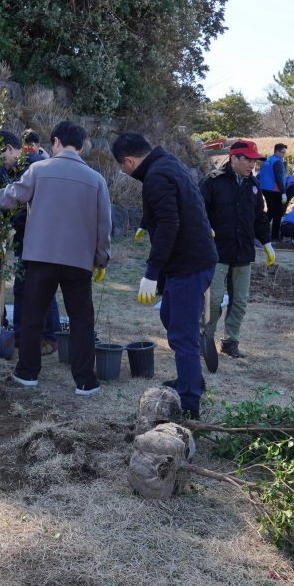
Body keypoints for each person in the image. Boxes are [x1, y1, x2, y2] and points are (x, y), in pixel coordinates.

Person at [0, 121, 111, 395]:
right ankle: (85, 382)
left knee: (34, 315)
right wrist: (101, 259)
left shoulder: (38, 170)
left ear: (55, 142)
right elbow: (104, 226)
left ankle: (27, 373)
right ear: (80, 147)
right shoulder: (97, 180)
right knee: (82, 320)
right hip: (79, 262)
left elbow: (11, 197)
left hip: (40, 259)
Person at [114, 132, 217, 418]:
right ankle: (190, 377)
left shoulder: (157, 176)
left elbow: (170, 223)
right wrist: (146, 223)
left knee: (182, 335)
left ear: (129, 160)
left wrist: (151, 272)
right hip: (195, 259)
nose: (125, 172)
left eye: (123, 167)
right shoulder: (168, 162)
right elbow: (170, 207)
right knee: (170, 317)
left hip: (189, 264)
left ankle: (189, 403)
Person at [0, 131, 60, 352]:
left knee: (42, 286)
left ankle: (50, 337)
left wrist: (13, 221)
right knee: (21, 287)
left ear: (10, 148)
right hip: (23, 237)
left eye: (1, 156)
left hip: (39, 239)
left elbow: (37, 205)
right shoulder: (12, 169)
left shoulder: (34, 165)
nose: (2, 164)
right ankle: (20, 334)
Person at [200, 141, 273, 360]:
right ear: (234, 158)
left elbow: (260, 217)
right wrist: (207, 230)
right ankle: (204, 339)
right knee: (212, 301)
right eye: (248, 160)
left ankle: (230, 342)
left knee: (240, 300)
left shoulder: (253, 185)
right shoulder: (212, 182)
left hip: (243, 252)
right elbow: (197, 211)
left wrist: (267, 243)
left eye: (254, 160)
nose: (252, 164)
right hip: (217, 252)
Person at [256, 142, 287, 240]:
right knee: (278, 213)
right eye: (283, 152)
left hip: (265, 188)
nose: (283, 155)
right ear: (277, 151)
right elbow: (278, 178)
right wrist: (283, 192)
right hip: (275, 190)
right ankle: (274, 236)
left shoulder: (267, 160)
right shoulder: (277, 162)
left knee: (270, 212)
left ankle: (260, 231)